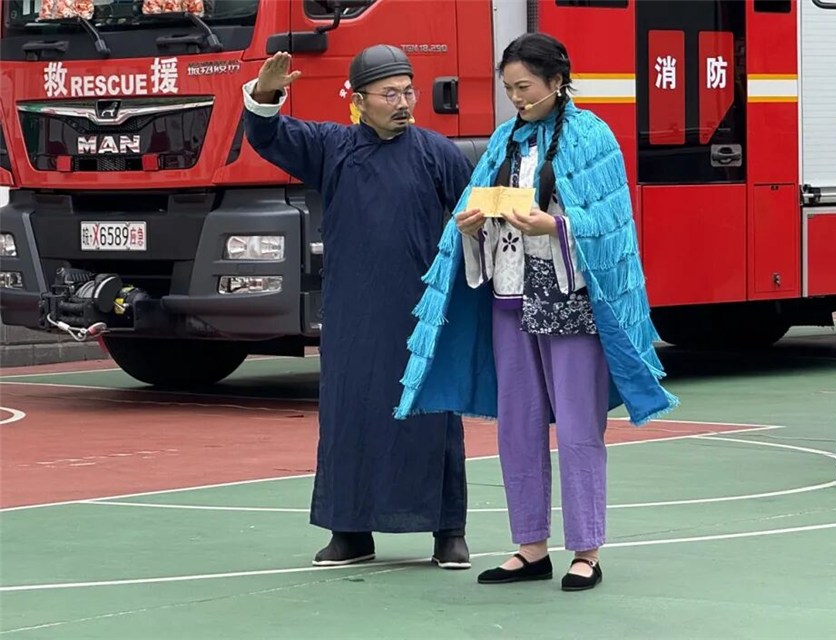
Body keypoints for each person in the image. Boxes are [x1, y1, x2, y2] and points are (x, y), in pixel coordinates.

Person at [394, 33, 679, 592]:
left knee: (577, 427)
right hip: (509, 292)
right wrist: (468, 224)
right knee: (518, 426)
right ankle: (530, 547)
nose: (517, 98)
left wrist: (555, 225)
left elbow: (610, 224)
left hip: (569, 298)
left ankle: (586, 550)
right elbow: (471, 207)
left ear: (557, 81)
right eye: (509, 89)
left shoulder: (592, 136)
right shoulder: (505, 139)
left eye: (524, 87)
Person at [242, 45, 474, 569]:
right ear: (359, 100)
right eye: (389, 94)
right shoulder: (332, 147)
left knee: (431, 415)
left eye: (408, 92)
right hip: (352, 312)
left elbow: (474, 214)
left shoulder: (437, 152)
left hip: (421, 312)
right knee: (349, 412)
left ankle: (448, 531)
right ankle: (349, 531)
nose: (402, 103)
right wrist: (266, 92)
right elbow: (267, 134)